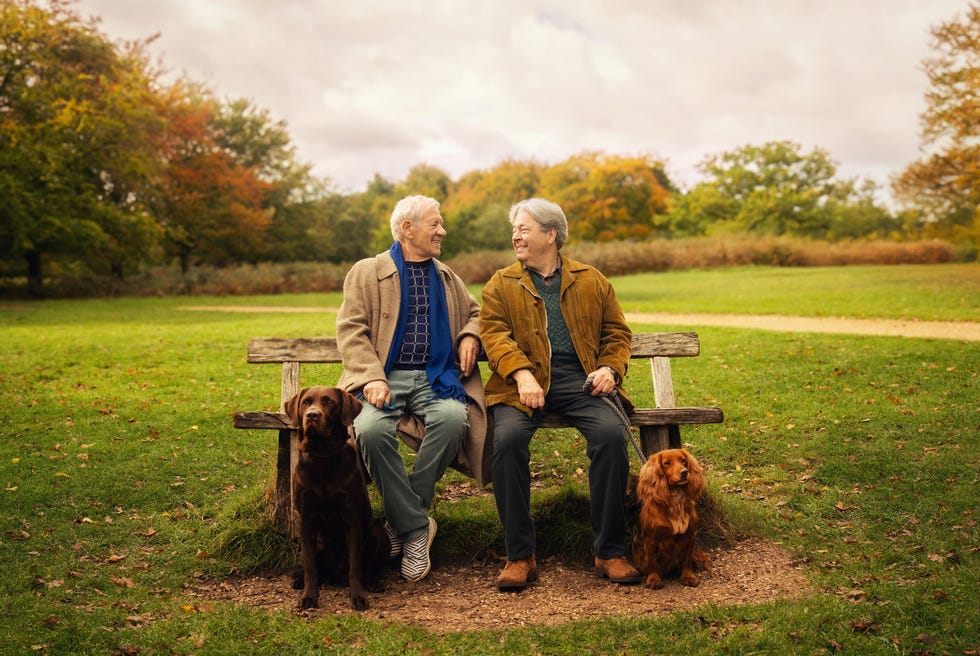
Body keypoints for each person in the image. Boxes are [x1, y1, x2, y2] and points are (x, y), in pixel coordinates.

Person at [479, 197, 642, 591]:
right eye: (514, 229)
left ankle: (609, 551)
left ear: (551, 234)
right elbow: (494, 335)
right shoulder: (501, 283)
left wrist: (609, 369)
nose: (516, 236)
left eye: (524, 229)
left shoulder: (591, 279)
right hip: (522, 384)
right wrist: (521, 374)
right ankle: (520, 555)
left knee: (610, 436)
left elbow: (617, 334)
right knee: (507, 441)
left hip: (580, 380)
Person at [336, 195, 486, 582]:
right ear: (408, 229)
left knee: (453, 420)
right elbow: (351, 331)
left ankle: (404, 523)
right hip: (384, 376)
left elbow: (476, 313)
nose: (442, 231)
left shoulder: (446, 276)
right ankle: (418, 527)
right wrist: (371, 377)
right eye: (435, 224)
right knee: (369, 430)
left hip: (436, 378)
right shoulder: (367, 272)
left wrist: (470, 335)